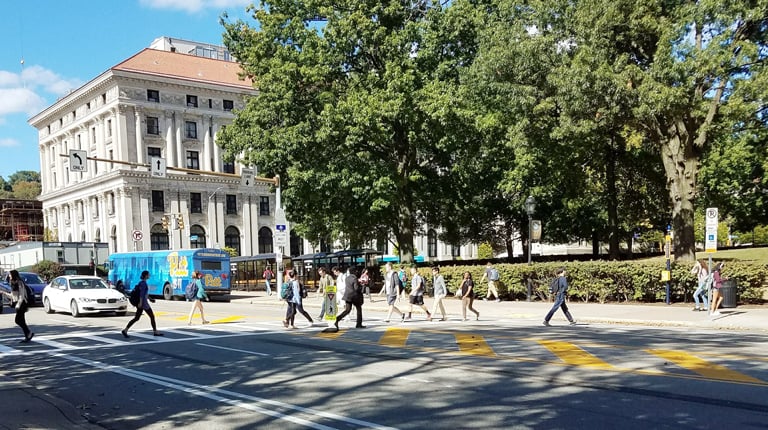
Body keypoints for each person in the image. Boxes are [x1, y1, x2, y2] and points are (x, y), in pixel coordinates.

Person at [122, 270, 162, 337]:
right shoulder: (143, 284)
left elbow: (145, 294)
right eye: (148, 275)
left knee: (137, 318)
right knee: (152, 316)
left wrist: (150, 299)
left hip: (142, 303)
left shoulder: (141, 283)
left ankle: (125, 330)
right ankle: (155, 331)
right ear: (146, 276)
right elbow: (141, 294)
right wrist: (140, 303)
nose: (149, 276)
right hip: (143, 304)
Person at [2, 270, 34, 342]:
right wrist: (4, 293)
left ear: (13, 275)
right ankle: (28, 335)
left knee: (18, 320)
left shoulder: (20, 283)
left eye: (10, 275)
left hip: (22, 304)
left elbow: (21, 296)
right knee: (21, 320)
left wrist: (18, 305)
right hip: (17, 304)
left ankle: (29, 333)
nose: (9, 276)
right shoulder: (13, 283)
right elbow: (13, 296)